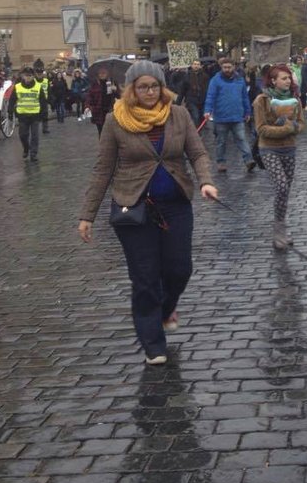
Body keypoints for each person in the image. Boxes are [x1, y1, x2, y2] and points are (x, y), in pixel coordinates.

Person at [77, 60, 217, 366]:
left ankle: (166, 309)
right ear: (131, 89)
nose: (150, 92)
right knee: (145, 277)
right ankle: (153, 342)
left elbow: (197, 152)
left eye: (154, 85)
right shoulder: (116, 120)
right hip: (133, 208)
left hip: (176, 205)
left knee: (180, 268)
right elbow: (102, 170)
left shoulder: (178, 114)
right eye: (142, 87)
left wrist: (205, 181)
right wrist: (87, 214)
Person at [253, 64, 304, 250]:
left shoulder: (295, 100)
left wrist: (294, 128)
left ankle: (281, 225)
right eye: (284, 78)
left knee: (285, 191)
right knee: (281, 186)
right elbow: (261, 129)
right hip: (269, 149)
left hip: (289, 149)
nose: (288, 81)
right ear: (273, 81)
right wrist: (285, 129)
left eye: (289, 78)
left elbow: (301, 124)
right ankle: (278, 231)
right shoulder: (262, 100)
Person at [204, 57, 255, 173]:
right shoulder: (215, 80)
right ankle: (221, 162)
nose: (227, 69)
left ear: (234, 67)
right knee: (221, 141)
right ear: (221, 68)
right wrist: (207, 110)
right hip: (221, 117)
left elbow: (244, 97)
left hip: (237, 115)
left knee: (242, 139)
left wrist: (248, 112)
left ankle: (248, 160)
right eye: (225, 67)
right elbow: (210, 96)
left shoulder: (240, 80)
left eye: (229, 67)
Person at [8, 66, 47, 161]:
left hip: (35, 115)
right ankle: (26, 148)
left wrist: (43, 113)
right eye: (26, 75)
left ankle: (33, 154)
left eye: (30, 76)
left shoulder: (38, 87)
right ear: (22, 76)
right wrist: (10, 112)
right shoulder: (17, 87)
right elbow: (12, 100)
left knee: (35, 136)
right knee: (22, 135)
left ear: (33, 76)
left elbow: (43, 101)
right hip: (22, 116)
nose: (28, 77)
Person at [85, 66, 119, 138]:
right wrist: (88, 107)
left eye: (104, 73)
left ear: (107, 73)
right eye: (100, 73)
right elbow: (89, 96)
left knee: (111, 132)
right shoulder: (94, 84)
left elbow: (120, 97)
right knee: (101, 132)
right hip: (98, 112)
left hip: (110, 111)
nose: (102, 74)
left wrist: (116, 90)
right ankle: (103, 147)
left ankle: (110, 147)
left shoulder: (112, 82)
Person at [175, 59, 209, 126]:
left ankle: (201, 131)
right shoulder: (187, 76)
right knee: (195, 116)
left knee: (202, 117)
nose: (196, 66)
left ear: (200, 66)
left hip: (202, 100)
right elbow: (182, 90)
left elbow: (207, 89)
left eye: (198, 64)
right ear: (192, 65)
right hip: (191, 100)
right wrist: (177, 103)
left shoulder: (205, 76)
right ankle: (195, 131)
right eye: (195, 64)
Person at [34, 66, 50, 134]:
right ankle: (35, 129)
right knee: (36, 116)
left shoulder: (46, 81)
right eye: (38, 73)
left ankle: (45, 129)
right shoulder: (33, 81)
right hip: (36, 101)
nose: (39, 74)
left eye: (40, 73)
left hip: (44, 101)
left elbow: (49, 90)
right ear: (36, 74)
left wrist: (50, 99)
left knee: (45, 116)